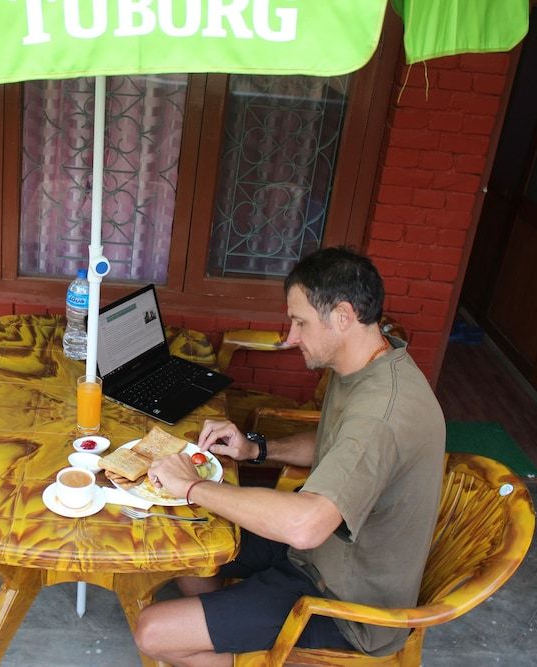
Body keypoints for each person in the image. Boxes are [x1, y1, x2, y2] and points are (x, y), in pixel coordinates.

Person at [134, 247, 446, 666]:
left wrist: (193, 486)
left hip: (349, 601)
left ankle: (224, 634)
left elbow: (306, 526)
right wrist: (254, 448)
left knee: (153, 632)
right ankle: (229, 627)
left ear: (343, 315)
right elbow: (331, 443)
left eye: (300, 322)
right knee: (191, 534)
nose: (291, 336)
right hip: (319, 557)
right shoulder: (366, 363)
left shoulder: (382, 413)